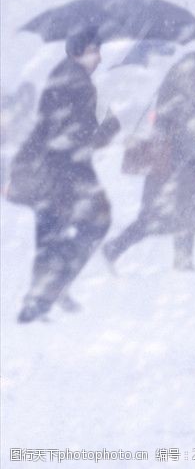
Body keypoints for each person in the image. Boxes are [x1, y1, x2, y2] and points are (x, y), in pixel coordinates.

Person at [7, 26, 120, 322]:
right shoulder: (78, 83)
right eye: (93, 50)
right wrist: (107, 125)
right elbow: (78, 133)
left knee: (51, 232)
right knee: (94, 224)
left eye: (99, 50)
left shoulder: (64, 76)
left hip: (51, 168)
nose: (98, 57)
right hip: (66, 171)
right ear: (76, 52)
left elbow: (56, 127)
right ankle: (48, 292)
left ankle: (43, 296)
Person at [102, 52, 195, 272]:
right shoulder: (186, 82)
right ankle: (116, 249)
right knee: (169, 215)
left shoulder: (177, 79)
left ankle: (180, 260)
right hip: (176, 163)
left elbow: (180, 124)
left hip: (171, 161)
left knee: (180, 213)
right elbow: (184, 129)